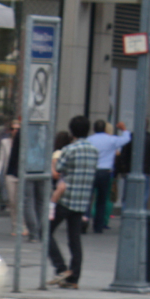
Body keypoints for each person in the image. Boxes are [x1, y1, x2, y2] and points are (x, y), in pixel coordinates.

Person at [48, 115, 98, 289]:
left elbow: (59, 168)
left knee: (45, 231)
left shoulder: (69, 149)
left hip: (66, 198)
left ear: (72, 131)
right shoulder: (94, 150)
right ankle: (74, 278)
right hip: (82, 200)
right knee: (74, 239)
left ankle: (61, 268)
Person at [85, 119, 131, 233]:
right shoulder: (111, 140)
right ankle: (98, 226)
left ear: (94, 129)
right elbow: (126, 139)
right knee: (102, 200)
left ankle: (84, 222)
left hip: (91, 170)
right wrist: (124, 129)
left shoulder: (89, 140)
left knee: (88, 199)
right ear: (105, 129)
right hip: (105, 172)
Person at [0, 118, 26, 237]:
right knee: (12, 201)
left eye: (18, 129)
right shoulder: (5, 142)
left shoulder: (25, 142)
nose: (15, 131)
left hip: (22, 175)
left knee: (21, 201)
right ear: (9, 130)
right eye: (13, 129)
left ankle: (24, 225)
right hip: (9, 174)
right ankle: (15, 226)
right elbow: (1, 160)